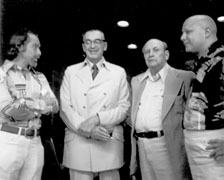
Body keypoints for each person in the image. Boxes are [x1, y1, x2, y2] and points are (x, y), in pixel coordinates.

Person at [60, 29, 130, 180]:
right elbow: (65, 109)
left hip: (108, 142)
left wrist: (97, 119)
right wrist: (89, 131)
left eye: (97, 41)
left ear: (105, 46)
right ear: (83, 47)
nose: (92, 46)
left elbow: (123, 109)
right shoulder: (71, 72)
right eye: (88, 42)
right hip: (79, 144)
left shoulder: (118, 72)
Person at [129, 38, 194, 180]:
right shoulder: (136, 81)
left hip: (167, 144)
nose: (150, 54)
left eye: (155, 50)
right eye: (146, 51)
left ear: (166, 55)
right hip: (142, 145)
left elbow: (195, 117)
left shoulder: (184, 77)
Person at [0, 27, 59, 180]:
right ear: (19, 46)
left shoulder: (39, 77)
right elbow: (9, 111)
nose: (39, 53)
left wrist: (25, 103)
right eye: (35, 47)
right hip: (9, 142)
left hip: (35, 144)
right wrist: (41, 105)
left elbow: (55, 105)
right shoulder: (2, 74)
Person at [181, 14, 224, 179]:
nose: (182, 37)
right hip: (200, 145)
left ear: (207, 32)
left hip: (214, 145)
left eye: (188, 32)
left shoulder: (221, 59)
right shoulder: (203, 62)